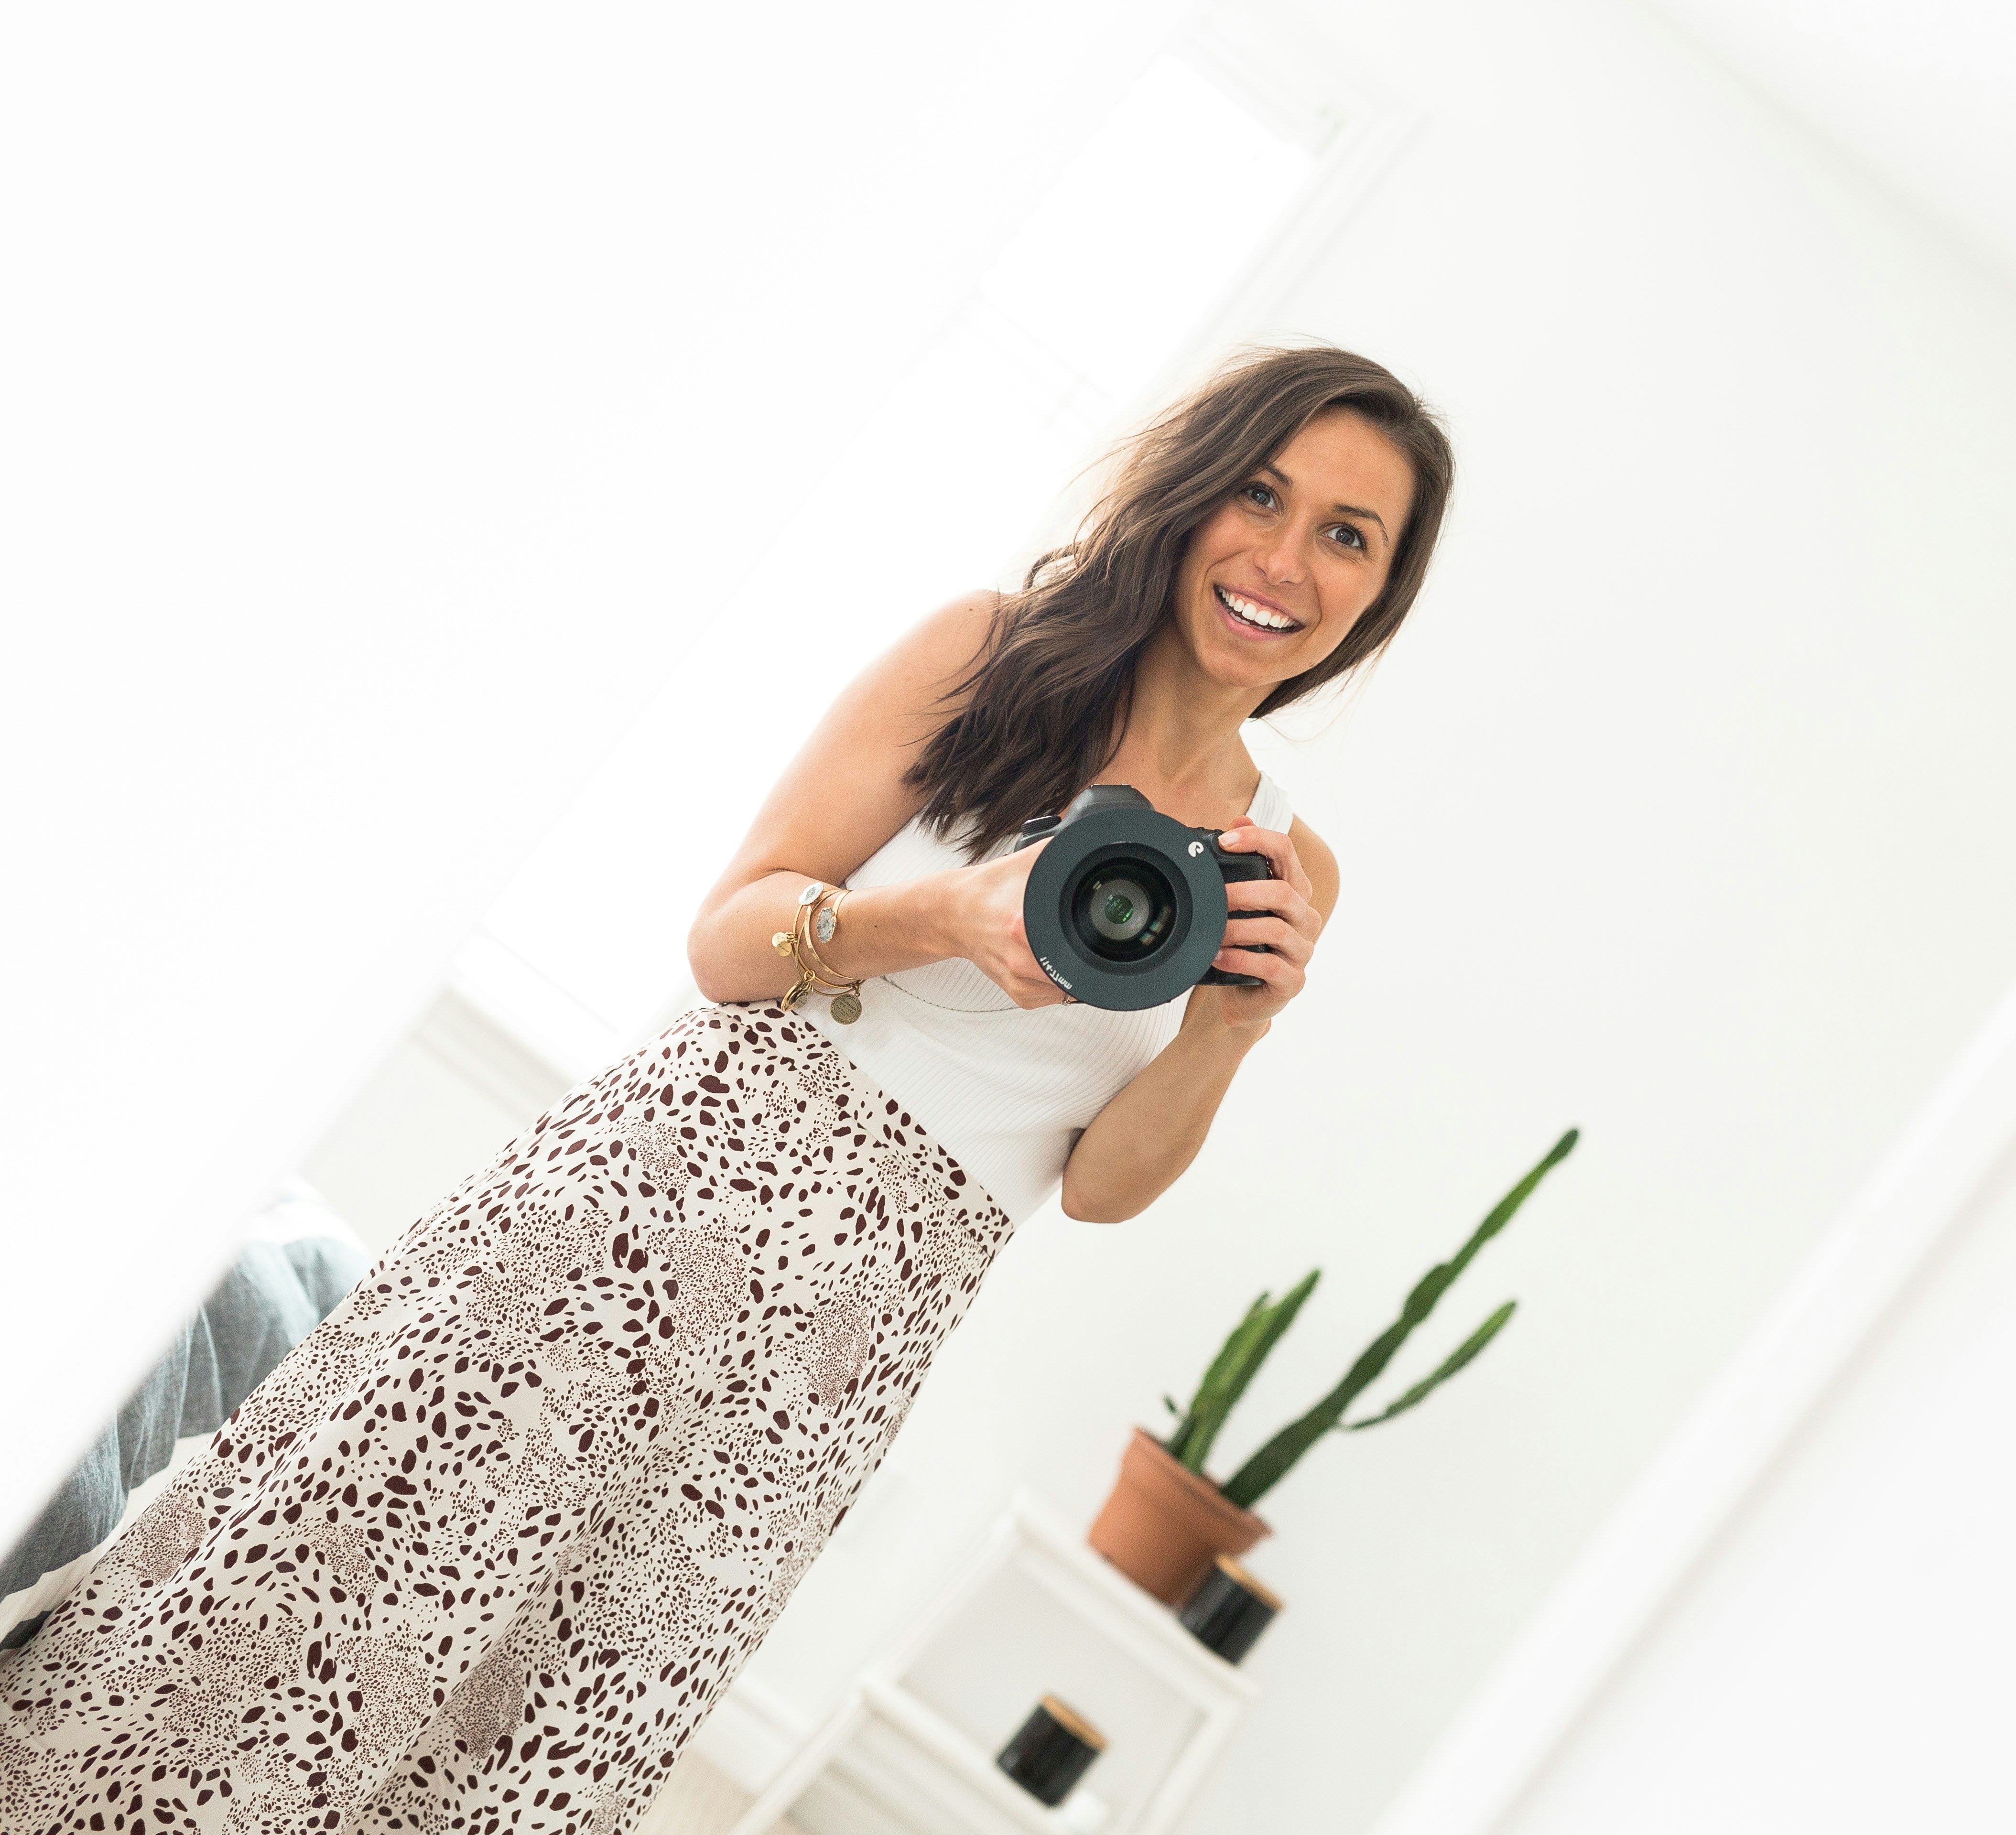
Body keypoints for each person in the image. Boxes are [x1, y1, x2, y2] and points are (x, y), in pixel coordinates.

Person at [0, 345, 1453, 1834]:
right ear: (1197, 493)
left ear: (1380, 596)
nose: (1286, 558)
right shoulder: (990, 652)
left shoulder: (1288, 865)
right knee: (328, 1585)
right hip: (644, 1205)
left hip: (844, 1350)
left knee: (556, 1722)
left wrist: (1231, 1033)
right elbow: (727, 937)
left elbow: (1097, 1185)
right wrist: (940, 921)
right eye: (1263, 495)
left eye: (1350, 535)